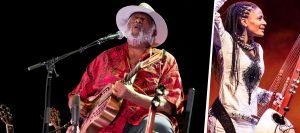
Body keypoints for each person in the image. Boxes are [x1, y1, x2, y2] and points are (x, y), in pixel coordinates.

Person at [66, 2, 184, 133]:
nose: (138, 20)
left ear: (154, 31)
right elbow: (75, 96)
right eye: (134, 18)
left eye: (144, 19)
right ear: (126, 27)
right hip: (102, 126)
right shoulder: (105, 57)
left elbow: (169, 106)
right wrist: (76, 120)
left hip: (142, 121)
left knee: (160, 126)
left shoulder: (164, 60)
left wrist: (132, 96)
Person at [207, 0, 294, 133]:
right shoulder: (227, 42)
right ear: (244, 21)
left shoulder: (258, 49)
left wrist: (267, 95)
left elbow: (246, 87)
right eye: (260, 18)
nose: (264, 23)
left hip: (250, 125)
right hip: (226, 120)